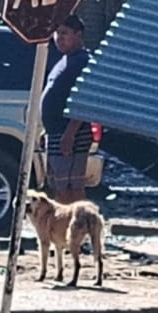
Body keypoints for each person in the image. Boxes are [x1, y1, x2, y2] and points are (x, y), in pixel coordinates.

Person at [40, 14, 92, 204]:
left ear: (78, 35)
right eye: (56, 33)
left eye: (64, 33)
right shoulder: (65, 60)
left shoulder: (82, 61)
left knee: (70, 187)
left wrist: (70, 133)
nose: (59, 38)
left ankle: (78, 227)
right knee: (58, 185)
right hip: (56, 132)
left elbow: (84, 101)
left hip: (71, 134)